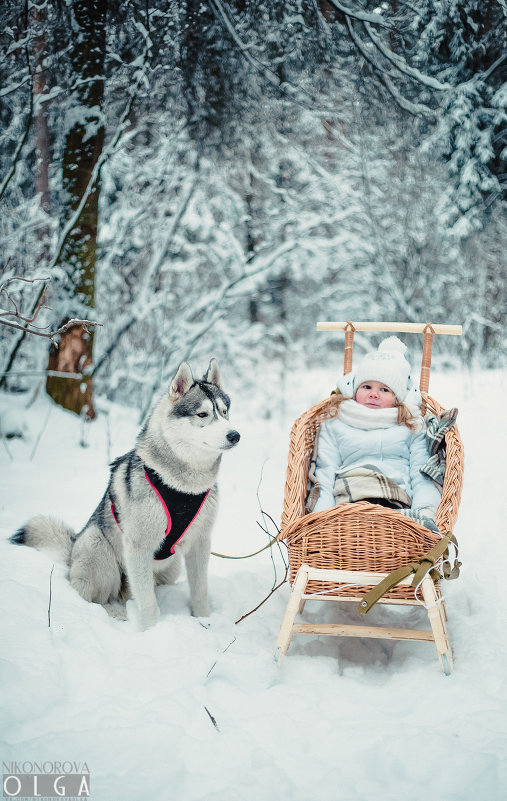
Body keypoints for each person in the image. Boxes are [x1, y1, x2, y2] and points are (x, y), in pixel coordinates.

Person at [311, 337, 441, 523]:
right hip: (349, 500)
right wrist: (320, 517)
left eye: (384, 390)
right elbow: (325, 472)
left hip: (395, 501)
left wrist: (424, 511)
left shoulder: (410, 425)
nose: (373, 394)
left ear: (398, 397)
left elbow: (421, 473)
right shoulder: (336, 423)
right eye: (366, 386)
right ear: (355, 390)